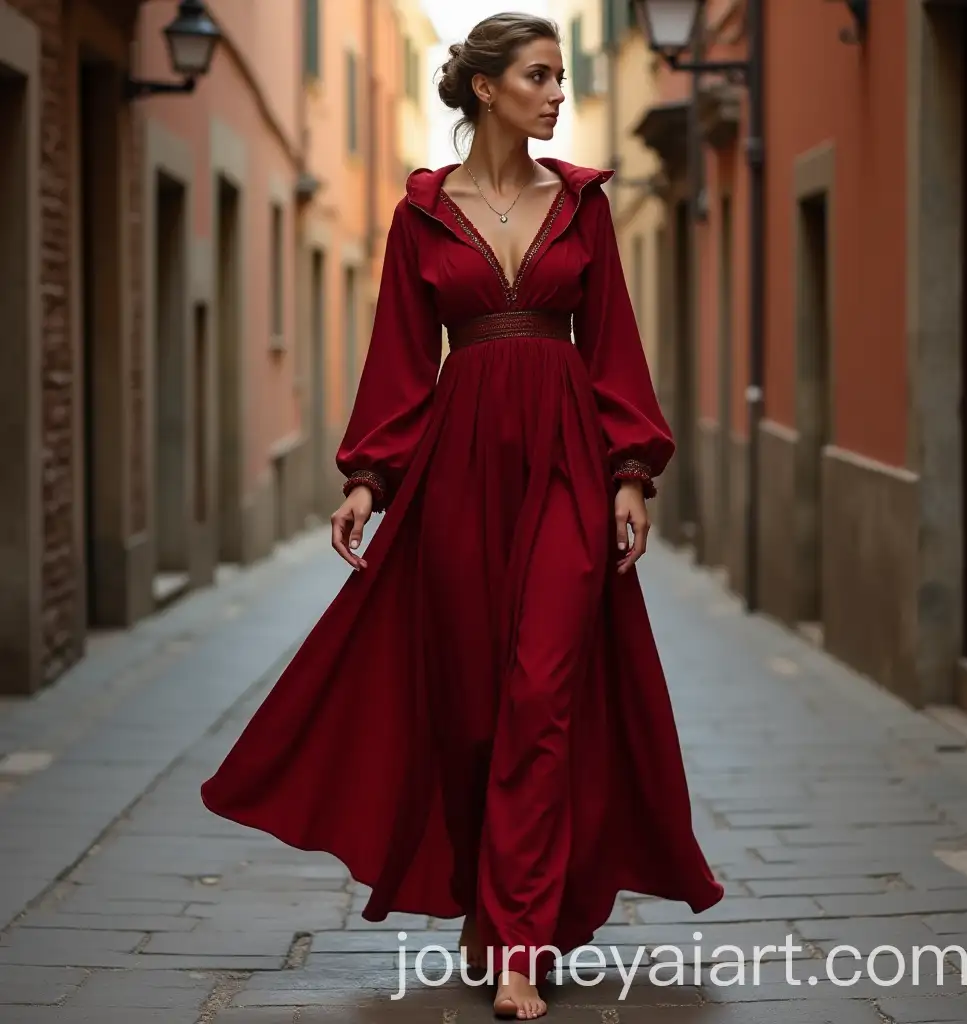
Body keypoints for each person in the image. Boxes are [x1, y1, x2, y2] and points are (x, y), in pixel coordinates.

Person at [200, 12, 723, 1020]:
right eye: (539, 75)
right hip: (455, 476)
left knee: (540, 692)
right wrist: (369, 478)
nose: (557, 93)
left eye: (563, 77)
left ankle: (520, 946)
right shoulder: (421, 218)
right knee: (473, 709)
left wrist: (630, 473)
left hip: (568, 464)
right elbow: (400, 359)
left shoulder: (581, 206)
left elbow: (610, 342)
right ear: (485, 88)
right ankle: (496, 913)